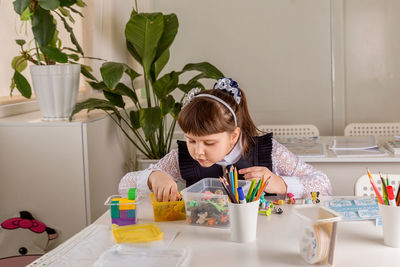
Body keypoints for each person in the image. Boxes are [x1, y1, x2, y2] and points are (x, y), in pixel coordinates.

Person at [119, 77, 332, 201]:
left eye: (209, 143)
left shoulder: (269, 152)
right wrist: (153, 177)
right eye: (191, 140)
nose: (198, 151)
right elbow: (123, 186)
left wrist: (282, 184)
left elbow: (324, 184)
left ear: (234, 136)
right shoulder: (181, 157)